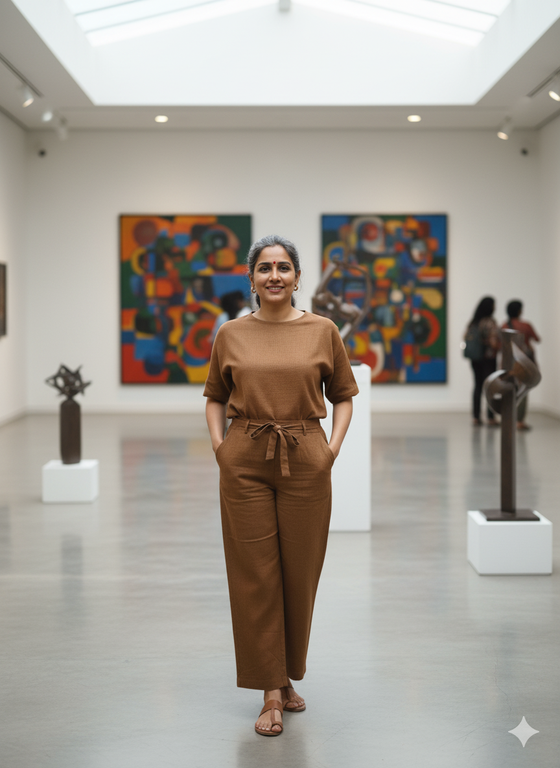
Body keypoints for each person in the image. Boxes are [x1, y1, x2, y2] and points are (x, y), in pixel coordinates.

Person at [203, 234, 358, 737]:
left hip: (305, 455)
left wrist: (330, 450)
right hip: (245, 455)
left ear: (297, 277)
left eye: (283, 267)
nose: (274, 275)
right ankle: (271, 690)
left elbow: (343, 395)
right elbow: (214, 396)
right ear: (251, 279)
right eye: (265, 268)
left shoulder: (322, 330)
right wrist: (221, 448)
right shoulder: (230, 333)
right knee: (255, 575)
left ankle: (286, 673)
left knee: (300, 574)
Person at [502, 300, 541, 430]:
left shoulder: (504, 325)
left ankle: (508, 417)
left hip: (509, 362)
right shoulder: (526, 326)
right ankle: (519, 420)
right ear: (519, 311)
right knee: (523, 389)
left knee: (510, 389)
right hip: (524, 362)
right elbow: (537, 339)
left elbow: (500, 345)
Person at [465, 296, 501, 426]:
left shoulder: (473, 322)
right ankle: (490, 417)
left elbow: (465, 337)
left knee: (477, 386)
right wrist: (499, 346)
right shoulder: (490, 322)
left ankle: (476, 417)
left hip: (475, 358)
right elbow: (493, 342)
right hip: (488, 359)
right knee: (490, 387)